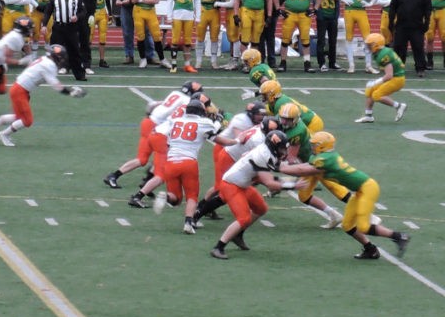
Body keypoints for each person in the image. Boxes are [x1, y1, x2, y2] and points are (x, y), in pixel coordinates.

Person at [280, 132, 410, 259]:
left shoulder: (326, 159)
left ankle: (399, 236)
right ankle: (371, 249)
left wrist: (280, 167)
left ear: (322, 146)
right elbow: (304, 167)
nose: (311, 147)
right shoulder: (321, 157)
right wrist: (283, 167)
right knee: (347, 225)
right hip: (360, 190)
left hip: (368, 188)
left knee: (363, 226)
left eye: (314, 145)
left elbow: (302, 170)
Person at [210, 130, 308, 260]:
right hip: (231, 185)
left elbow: (278, 170)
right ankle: (218, 247)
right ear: (273, 146)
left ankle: (237, 235)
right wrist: (294, 185)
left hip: (243, 184)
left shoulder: (267, 152)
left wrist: (303, 171)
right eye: (281, 148)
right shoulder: (262, 155)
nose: (283, 151)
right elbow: (270, 183)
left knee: (261, 208)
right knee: (243, 218)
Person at [102, 80, 203, 203]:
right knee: (150, 160)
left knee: (148, 158)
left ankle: (140, 180)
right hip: (156, 128)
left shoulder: (175, 93)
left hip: (149, 122)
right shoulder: (187, 102)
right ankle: (130, 180)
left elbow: (153, 105)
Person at [153, 99, 237, 234]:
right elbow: (217, 137)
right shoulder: (204, 122)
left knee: (176, 199)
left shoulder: (175, 122)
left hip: (171, 162)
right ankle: (188, 223)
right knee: (192, 196)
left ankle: (167, 197)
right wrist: (236, 140)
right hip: (188, 162)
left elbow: (169, 144)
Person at [0, 45, 86, 147]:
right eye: (61, 58)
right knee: (27, 121)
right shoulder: (49, 65)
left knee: (18, 117)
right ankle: (4, 134)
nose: (62, 60)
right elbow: (56, 86)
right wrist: (71, 93)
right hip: (20, 90)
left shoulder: (45, 60)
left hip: (20, 88)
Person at [328, 0, 383, 74]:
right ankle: (351, 65)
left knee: (367, 39)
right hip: (349, 11)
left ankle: (368, 65)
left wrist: (370, 4)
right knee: (349, 39)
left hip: (362, 11)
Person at [273, 0, 321, 72]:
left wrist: (315, 9)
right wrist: (278, 9)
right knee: (285, 40)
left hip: (304, 14)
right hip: (290, 14)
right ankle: (283, 63)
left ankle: (307, 63)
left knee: (305, 40)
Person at [355, 33, 410, 123]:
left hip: (397, 79)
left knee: (376, 95)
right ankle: (368, 115)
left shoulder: (383, 55)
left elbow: (389, 75)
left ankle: (399, 106)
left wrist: (375, 82)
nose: (367, 47)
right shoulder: (381, 52)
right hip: (394, 77)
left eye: (369, 45)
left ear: (376, 45)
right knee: (369, 90)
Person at [41, 0, 87, 80]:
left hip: (71, 28)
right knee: (53, 51)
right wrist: (44, 25)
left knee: (75, 51)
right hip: (58, 28)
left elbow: (83, 11)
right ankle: (48, 74)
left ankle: (79, 75)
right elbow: (48, 12)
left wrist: (77, 17)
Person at [129, 0, 171, 69]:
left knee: (156, 35)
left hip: (150, 11)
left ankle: (162, 59)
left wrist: (142, 0)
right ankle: (143, 59)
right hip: (138, 11)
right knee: (140, 35)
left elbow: (156, 0)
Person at [166, 0, 198, 73]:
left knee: (188, 41)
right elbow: (169, 1)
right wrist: (169, 16)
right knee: (175, 40)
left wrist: (197, 17)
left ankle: (187, 65)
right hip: (177, 14)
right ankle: (174, 64)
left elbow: (197, 1)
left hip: (189, 14)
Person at [193, 0, 225, 69]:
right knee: (200, 36)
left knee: (214, 36)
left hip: (214, 10)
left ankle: (214, 61)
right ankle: (199, 60)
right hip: (202, 9)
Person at [71, 0, 97, 74]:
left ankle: (86, 65)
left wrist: (92, 14)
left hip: (85, 16)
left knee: (85, 41)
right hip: (72, 15)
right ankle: (69, 65)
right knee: (70, 41)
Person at [419, 0, 445, 71]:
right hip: (429, 11)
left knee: (444, 37)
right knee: (429, 37)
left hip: (442, 10)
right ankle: (430, 61)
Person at [315, 0, 340, 72]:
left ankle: (332, 62)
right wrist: (319, 15)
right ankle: (321, 63)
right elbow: (315, 2)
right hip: (322, 17)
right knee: (321, 41)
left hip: (332, 17)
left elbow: (337, 3)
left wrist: (336, 16)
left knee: (332, 41)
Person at [89, 0, 114, 69]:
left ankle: (102, 60)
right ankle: (87, 58)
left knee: (102, 37)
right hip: (92, 12)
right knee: (89, 36)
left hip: (102, 12)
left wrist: (111, 13)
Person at [258, 0, 279, 67]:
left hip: (273, 13)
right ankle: (261, 58)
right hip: (259, 12)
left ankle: (272, 60)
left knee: (270, 37)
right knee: (260, 37)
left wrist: (277, 5)